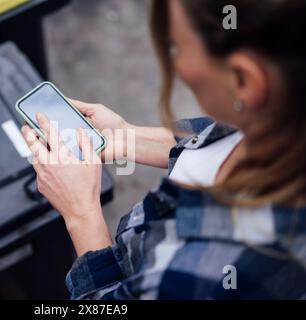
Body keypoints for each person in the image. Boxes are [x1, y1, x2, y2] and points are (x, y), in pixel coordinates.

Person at [21, 0, 306, 299]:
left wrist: (81, 213)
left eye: (176, 48)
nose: (174, 64)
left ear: (243, 79)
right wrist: (126, 137)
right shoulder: (281, 112)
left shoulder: (198, 275)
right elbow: (218, 139)